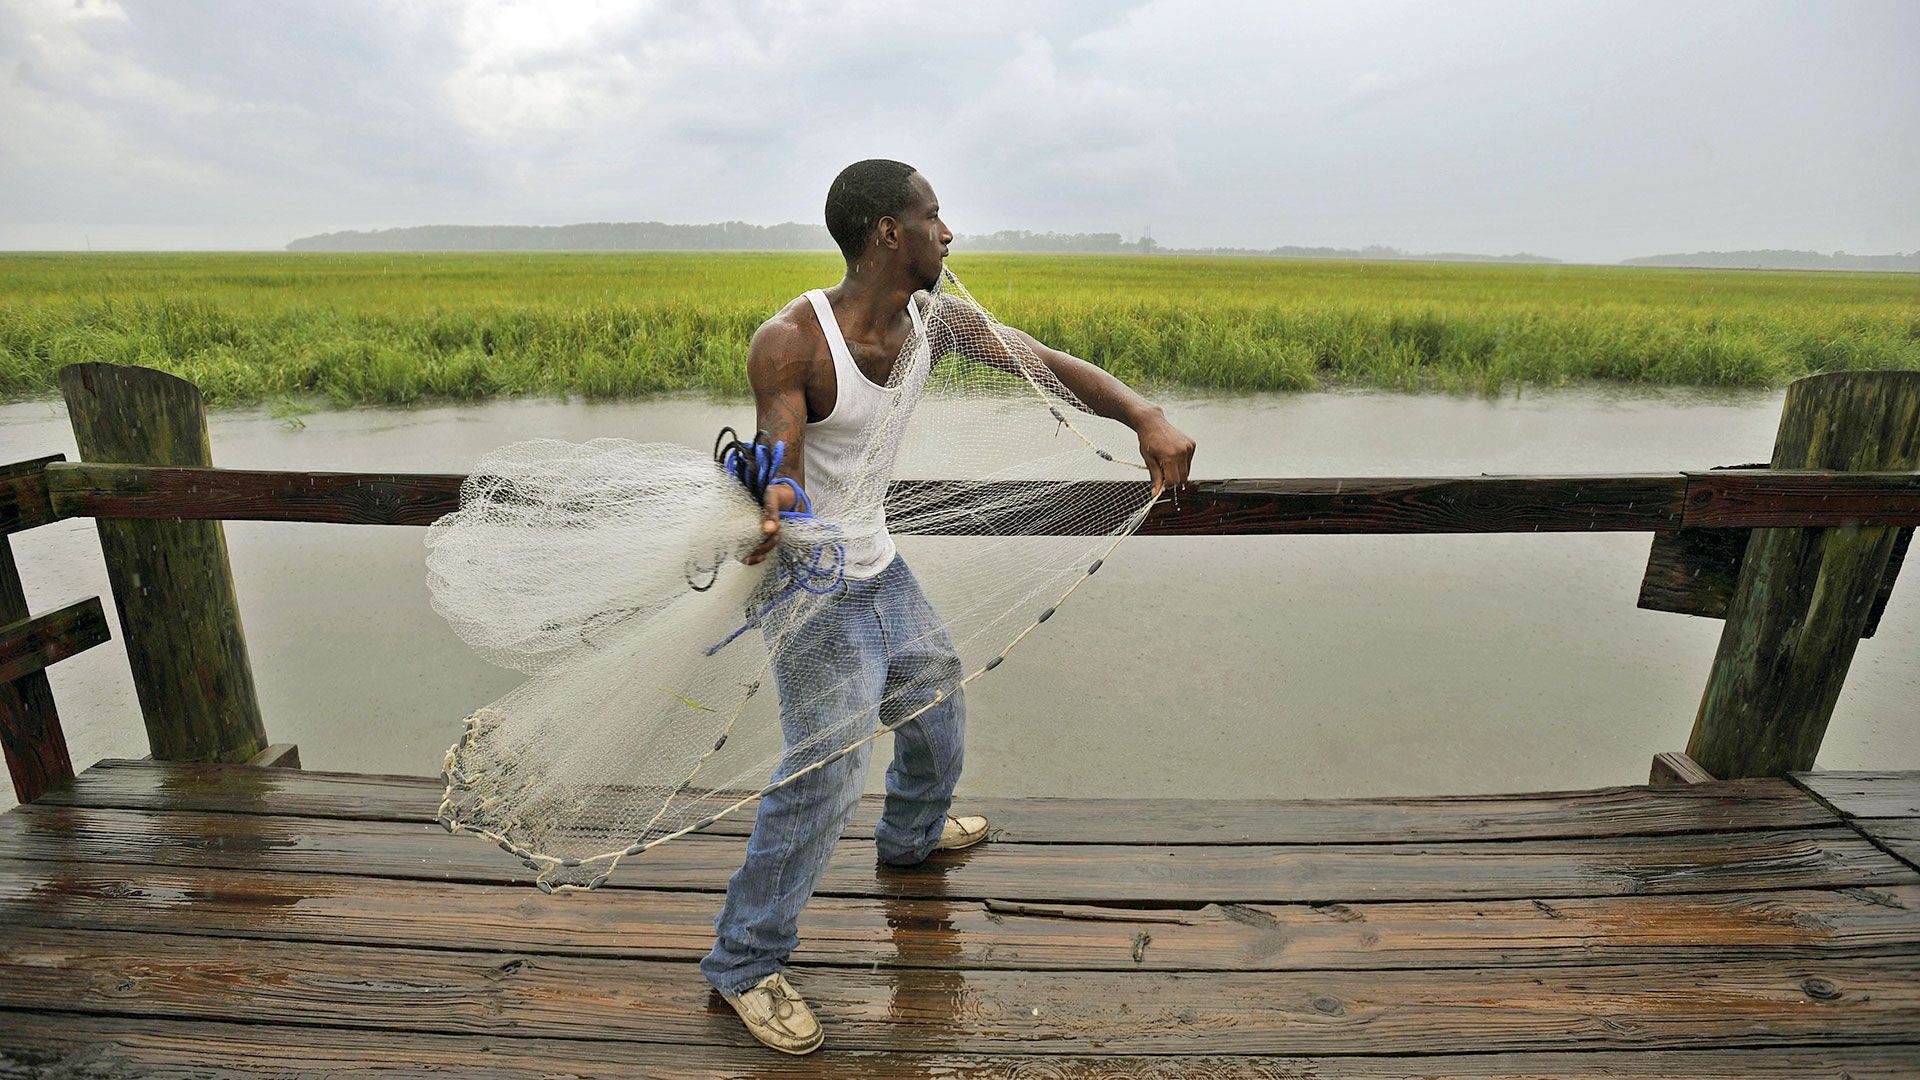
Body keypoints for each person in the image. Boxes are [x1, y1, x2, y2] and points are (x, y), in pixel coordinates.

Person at [704, 158, 1197, 1055]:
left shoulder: (931, 320)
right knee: (824, 771)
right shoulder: (792, 341)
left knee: (937, 703)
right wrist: (776, 502)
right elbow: (779, 463)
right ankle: (745, 964)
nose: (950, 232)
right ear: (889, 233)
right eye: (935, 217)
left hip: (881, 565)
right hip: (812, 586)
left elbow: (1041, 362)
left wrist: (1144, 415)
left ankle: (911, 839)